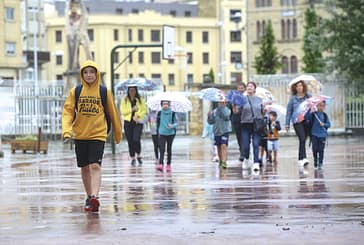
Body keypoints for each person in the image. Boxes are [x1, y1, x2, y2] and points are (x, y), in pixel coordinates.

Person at [62, 60, 122, 212]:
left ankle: (95, 196)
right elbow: (68, 112)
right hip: (80, 134)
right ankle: (89, 197)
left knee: (95, 165)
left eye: (92, 72)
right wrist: (67, 131)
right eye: (86, 72)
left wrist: (117, 133)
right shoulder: (75, 91)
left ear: (97, 74)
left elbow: (113, 112)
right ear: (82, 74)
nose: (89, 75)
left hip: (98, 134)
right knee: (84, 167)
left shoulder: (104, 92)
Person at [239, 81, 264, 171]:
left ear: (254, 89)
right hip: (245, 124)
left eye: (251, 86)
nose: (249, 87)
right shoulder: (242, 99)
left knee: (256, 144)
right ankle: (246, 158)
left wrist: (265, 109)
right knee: (245, 145)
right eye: (248, 86)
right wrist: (234, 106)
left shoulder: (259, 100)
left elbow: (263, 113)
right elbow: (237, 112)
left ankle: (256, 162)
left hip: (256, 124)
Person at [285, 80, 312, 167]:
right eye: (297, 86)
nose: (299, 87)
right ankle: (303, 158)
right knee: (302, 138)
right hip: (297, 121)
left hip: (307, 121)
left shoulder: (309, 97)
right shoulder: (293, 99)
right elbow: (289, 112)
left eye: (301, 85)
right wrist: (287, 124)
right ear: (295, 88)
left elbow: (313, 108)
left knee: (303, 139)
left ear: (303, 87)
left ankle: (301, 158)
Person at [120, 86, 147, 166]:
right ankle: (132, 157)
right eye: (130, 90)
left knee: (136, 139)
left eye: (133, 90)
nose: (132, 92)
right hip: (128, 122)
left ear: (136, 91)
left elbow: (144, 110)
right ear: (128, 91)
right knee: (130, 141)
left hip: (137, 122)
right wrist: (132, 109)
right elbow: (123, 111)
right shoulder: (124, 100)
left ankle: (138, 155)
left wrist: (138, 115)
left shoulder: (140, 100)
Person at [305, 101, 331, 169]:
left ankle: (320, 162)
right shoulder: (313, 115)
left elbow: (329, 124)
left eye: (322, 106)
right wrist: (309, 109)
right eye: (319, 105)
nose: (321, 107)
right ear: (316, 106)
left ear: (324, 107)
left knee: (321, 149)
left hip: (322, 135)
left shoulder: (325, 115)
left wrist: (324, 124)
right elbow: (306, 118)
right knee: (315, 149)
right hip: (314, 135)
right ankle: (315, 161)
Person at [207, 100, 232, 169]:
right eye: (220, 102)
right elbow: (211, 122)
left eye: (223, 102)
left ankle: (224, 161)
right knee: (218, 146)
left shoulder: (227, 110)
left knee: (224, 145)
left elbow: (226, 117)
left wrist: (222, 109)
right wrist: (209, 116)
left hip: (225, 130)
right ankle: (221, 160)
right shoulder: (214, 111)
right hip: (217, 131)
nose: (221, 104)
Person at [156, 100, 178, 172]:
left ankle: (168, 164)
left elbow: (176, 122)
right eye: (164, 104)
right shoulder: (159, 113)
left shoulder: (173, 113)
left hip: (170, 133)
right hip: (162, 133)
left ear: (169, 105)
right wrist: (157, 132)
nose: (165, 105)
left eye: (166, 104)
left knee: (169, 149)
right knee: (162, 149)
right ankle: (161, 164)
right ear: (161, 105)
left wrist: (172, 125)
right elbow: (157, 123)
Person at [230, 82, 246, 156]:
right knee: (239, 136)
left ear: (244, 89)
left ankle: (245, 150)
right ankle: (242, 151)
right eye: (239, 88)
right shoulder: (234, 97)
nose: (240, 90)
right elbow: (233, 111)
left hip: (246, 119)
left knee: (245, 136)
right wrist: (234, 106)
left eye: (242, 88)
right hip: (237, 119)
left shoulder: (246, 97)